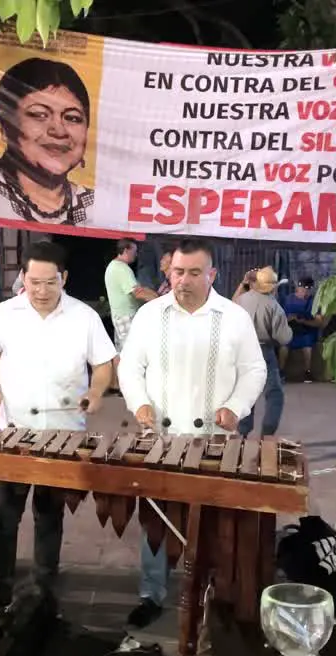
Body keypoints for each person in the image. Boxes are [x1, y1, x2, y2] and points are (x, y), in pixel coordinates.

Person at [117, 238, 267, 628]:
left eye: (194, 272)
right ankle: (152, 594)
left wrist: (235, 408)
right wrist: (139, 403)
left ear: (212, 275)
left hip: (215, 440)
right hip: (161, 439)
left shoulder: (233, 316)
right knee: (156, 524)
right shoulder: (150, 314)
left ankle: (212, 593)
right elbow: (130, 367)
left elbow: (255, 370)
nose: (183, 280)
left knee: (214, 525)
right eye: (178, 271)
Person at [0, 242, 115, 606]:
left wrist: (97, 392)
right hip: (12, 431)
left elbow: (104, 365)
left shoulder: (84, 316)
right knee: (3, 518)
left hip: (63, 434)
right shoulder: (5, 313)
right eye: (33, 281)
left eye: (49, 283)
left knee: (49, 516)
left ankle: (42, 591)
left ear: (63, 278)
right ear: (23, 277)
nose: (40, 290)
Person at [0, 58, 95, 226]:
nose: (59, 131)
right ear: (4, 124)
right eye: (39, 114)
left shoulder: (99, 208)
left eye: (72, 118)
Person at [235, 267, 291, 438]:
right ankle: (267, 433)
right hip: (263, 351)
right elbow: (284, 338)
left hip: (241, 350)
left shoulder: (240, 300)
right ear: (273, 287)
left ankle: (243, 432)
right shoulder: (274, 307)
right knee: (274, 394)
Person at [105, 240, 158, 352]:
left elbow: (139, 289)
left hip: (120, 316)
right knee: (132, 353)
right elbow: (138, 293)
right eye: (134, 251)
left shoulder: (113, 266)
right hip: (127, 317)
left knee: (122, 353)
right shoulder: (122, 268)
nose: (136, 254)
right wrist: (159, 300)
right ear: (126, 250)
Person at [280, 278, 323, 383]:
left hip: (306, 331)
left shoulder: (313, 302)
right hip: (289, 330)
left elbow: (319, 322)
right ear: (297, 288)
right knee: (284, 345)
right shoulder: (288, 299)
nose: (304, 292)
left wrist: (303, 321)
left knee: (307, 346)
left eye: (307, 289)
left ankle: (307, 372)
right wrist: (289, 319)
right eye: (302, 289)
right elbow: (278, 317)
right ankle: (280, 372)